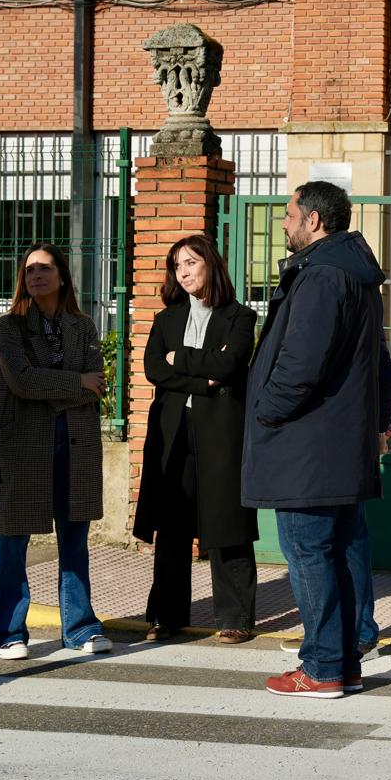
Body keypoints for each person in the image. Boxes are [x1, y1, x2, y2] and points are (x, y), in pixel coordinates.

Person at [243, 182, 391, 699]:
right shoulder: (354, 276)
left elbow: (300, 365)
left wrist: (264, 411)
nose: (283, 224)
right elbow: (381, 362)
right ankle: (345, 661)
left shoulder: (323, 276)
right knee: (343, 548)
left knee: (309, 551)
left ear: (313, 221)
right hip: (340, 442)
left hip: (307, 444)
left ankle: (323, 665)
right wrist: (380, 421)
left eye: (288, 215)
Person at [0, 243, 112, 660]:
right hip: (23, 449)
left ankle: (79, 627)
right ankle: (7, 632)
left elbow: (99, 386)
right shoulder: (9, 327)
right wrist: (75, 384)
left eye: (45, 268)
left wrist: (62, 386)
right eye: (29, 270)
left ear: (61, 276)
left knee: (74, 541)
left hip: (75, 445)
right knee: (13, 541)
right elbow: (22, 381)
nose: (35, 276)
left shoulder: (83, 326)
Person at [134, 234, 259, 643]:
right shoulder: (166, 319)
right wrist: (205, 375)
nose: (183, 272)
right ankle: (166, 616)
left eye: (190, 263)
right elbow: (155, 368)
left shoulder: (240, 317)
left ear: (210, 265)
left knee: (227, 520)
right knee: (171, 523)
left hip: (221, 430)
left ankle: (235, 617)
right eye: (177, 266)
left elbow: (229, 362)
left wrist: (181, 359)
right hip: (174, 430)